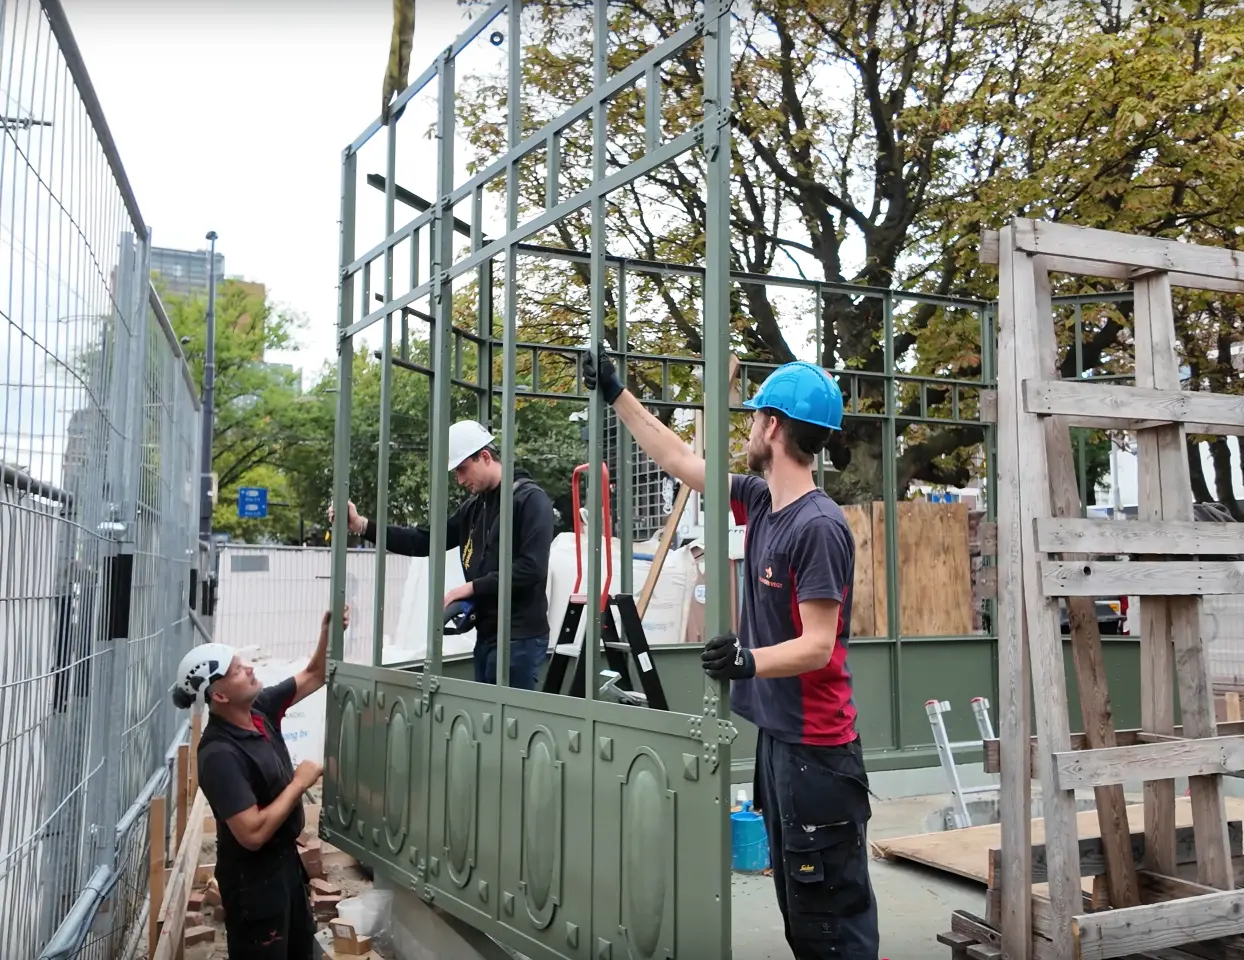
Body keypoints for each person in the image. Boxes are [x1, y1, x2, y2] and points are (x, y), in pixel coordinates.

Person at [583, 347, 878, 960]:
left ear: (773, 426)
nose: (746, 427)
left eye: (753, 417)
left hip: (817, 753)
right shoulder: (763, 499)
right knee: (801, 912)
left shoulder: (818, 526)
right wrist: (616, 392)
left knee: (830, 917)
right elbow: (679, 460)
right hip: (780, 740)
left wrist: (747, 660)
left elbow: (820, 644)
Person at [170, 604, 349, 960]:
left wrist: (329, 633)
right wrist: (299, 783)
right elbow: (251, 834)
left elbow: (314, 674)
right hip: (253, 887)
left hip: (285, 868)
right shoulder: (219, 755)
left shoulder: (259, 711)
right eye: (237, 670)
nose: (249, 668)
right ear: (219, 695)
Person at [331, 419, 556, 689]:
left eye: (463, 469)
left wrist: (471, 588)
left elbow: (532, 569)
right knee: (490, 726)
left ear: (485, 456)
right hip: (487, 637)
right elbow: (423, 540)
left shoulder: (531, 500)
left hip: (521, 638)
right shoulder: (475, 508)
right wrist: (361, 525)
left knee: (511, 727)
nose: (460, 480)